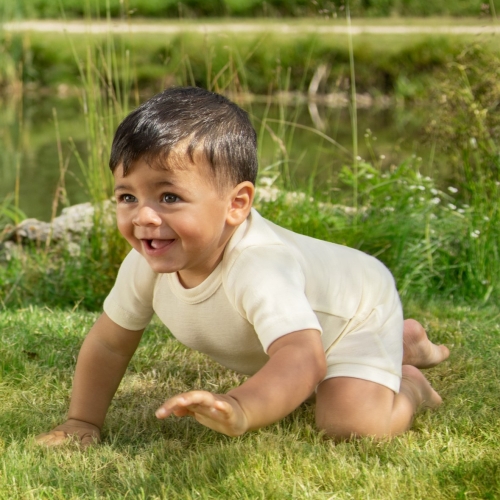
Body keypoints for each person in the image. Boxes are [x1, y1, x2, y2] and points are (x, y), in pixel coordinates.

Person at [35, 86, 449, 448]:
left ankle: (409, 380)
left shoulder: (259, 266)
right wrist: (81, 421)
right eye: (127, 197)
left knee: (351, 425)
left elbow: (302, 358)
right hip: (313, 322)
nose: (143, 217)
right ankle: (403, 342)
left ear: (236, 204)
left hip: (356, 308)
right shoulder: (145, 262)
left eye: (169, 197)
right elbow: (109, 344)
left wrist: (241, 407)